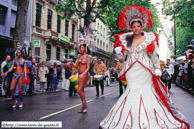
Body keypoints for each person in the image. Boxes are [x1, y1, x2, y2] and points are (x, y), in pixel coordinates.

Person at [99, 5, 189, 129]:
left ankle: (150, 120)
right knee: (131, 91)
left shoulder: (148, 38)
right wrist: (118, 52)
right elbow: (122, 58)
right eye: (134, 27)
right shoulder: (126, 40)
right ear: (131, 28)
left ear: (142, 27)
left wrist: (157, 67)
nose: (136, 28)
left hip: (145, 70)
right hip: (131, 70)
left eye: (138, 26)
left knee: (147, 92)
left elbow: (153, 55)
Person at [65, 44, 90, 113]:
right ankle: (84, 107)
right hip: (79, 75)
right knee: (81, 91)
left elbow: (88, 67)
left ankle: (85, 105)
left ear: (85, 49)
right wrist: (70, 63)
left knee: (79, 90)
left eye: (82, 48)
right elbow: (76, 66)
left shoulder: (87, 57)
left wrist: (84, 73)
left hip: (84, 75)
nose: (81, 49)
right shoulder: (79, 56)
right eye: (80, 48)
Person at [3, 43, 27, 108]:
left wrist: (25, 76)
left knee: (20, 90)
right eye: (17, 52)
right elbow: (11, 68)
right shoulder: (14, 60)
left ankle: (21, 101)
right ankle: (14, 100)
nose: (18, 53)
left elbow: (24, 69)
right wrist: (6, 72)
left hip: (21, 75)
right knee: (11, 89)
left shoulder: (24, 61)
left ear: (21, 53)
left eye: (19, 52)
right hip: (15, 75)